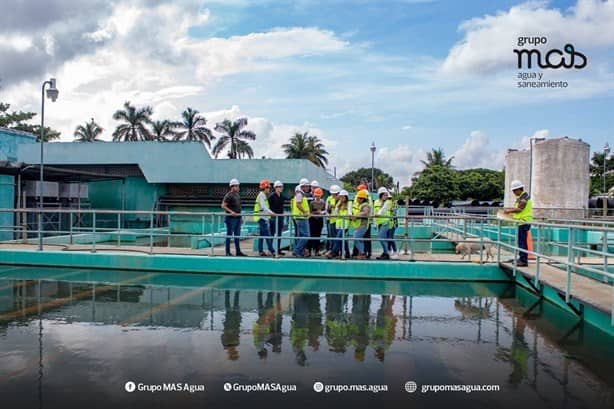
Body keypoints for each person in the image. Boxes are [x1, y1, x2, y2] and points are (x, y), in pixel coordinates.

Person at [503, 180, 533, 267]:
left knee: (522, 242)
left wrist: (508, 211)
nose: (513, 192)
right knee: (521, 241)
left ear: (519, 189)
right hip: (521, 222)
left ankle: (523, 260)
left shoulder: (524, 198)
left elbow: (520, 209)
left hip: (523, 222)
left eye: (514, 191)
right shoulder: (522, 197)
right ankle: (521, 258)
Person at [221, 178, 247, 257]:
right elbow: (223, 205)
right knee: (229, 235)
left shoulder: (237, 195)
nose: (238, 187)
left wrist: (240, 217)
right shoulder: (229, 195)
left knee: (237, 236)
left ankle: (238, 251)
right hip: (231, 219)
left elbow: (239, 207)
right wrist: (231, 212)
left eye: (238, 186)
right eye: (237, 186)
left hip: (237, 218)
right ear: (232, 187)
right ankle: (227, 252)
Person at [254, 179, 276, 257]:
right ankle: (272, 251)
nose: (269, 189)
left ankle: (260, 251)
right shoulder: (261, 195)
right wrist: (272, 213)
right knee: (268, 235)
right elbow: (263, 207)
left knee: (262, 236)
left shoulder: (263, 195)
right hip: (261, 218)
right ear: (265, 188)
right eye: (268, 188)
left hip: (263, 218)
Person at [291, 178, 311, 257]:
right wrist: (305, 212)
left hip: (300, 217)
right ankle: (297, 251)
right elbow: (298, 204)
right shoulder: (300, 194)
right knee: (306, 236)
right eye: (307, 186)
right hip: (301, 217)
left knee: (301, 236)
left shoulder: (300, 194)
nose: (308, 188)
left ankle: (300, 251)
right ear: (303, 186)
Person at [328, 190, 350, 259]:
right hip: (338, 224)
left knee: (338, 237)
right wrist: (337, 207)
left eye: (342, 197)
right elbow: (335, 213)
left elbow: (349, 213)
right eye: (340, 197)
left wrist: (344, 209)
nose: (341, 198)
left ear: (346, 197)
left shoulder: (349, 203)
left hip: (345, 224)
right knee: (342, 239)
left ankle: (333, 252)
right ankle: (347, 253)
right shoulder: (338, 204)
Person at [352, 184, 372, 258]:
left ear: (362, 199)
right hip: (357, 224)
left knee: (357, 238)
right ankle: (361, 253)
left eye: (359, 198)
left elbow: (365, 213)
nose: (357, 199)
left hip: (363, 225)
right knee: (358, 239)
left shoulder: (365, 205)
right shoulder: (359, 204)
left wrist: (356, 215)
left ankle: (363, 253)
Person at [374, 187, 393, 260]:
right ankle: (385, 253)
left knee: (381, 238)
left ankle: (387, 253)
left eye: (386, 195)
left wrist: (378, 214)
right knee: (382, 238)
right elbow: (374, 212)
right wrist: (375, 223)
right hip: (379, 222)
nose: (386, 196)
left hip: (386, 222)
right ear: (380, 195)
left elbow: (383, 209)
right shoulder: (376, 202)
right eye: (385, 195)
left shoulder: (388, 202)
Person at [268, 180, 286, 255]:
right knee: (272, 233)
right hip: (273, 217)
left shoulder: (282, 196)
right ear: (275, 188)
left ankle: (278, 249)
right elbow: (268, 206)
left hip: (280, 217)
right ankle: (271, 250)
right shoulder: (272, 196)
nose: (281, 188)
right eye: (279, 187)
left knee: (279, 234)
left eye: (281, 187)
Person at [308, 188, 325, 256]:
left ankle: (316, 250)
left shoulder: (323, 202)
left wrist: (322, 212)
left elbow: (324, 210)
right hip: (312, 220)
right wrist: (317, 212)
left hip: (320, 220)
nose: (317, 197)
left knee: (318, 235)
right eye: (316, 196)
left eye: (319, 196)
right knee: (311, 235)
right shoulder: (312, 203)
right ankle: (309, 250)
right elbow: (310, 212)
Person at [324, 185, 341, 254]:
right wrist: (330, 208)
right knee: (332, 236)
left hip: (339, 221)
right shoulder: (330, 199)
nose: (334, 195)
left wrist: (335, 206)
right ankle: (333, 251)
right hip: (332, 220)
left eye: (335, 194)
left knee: (339, 237)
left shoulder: (342, 199)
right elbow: (327, 210)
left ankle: (338, 251)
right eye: (333, 194)